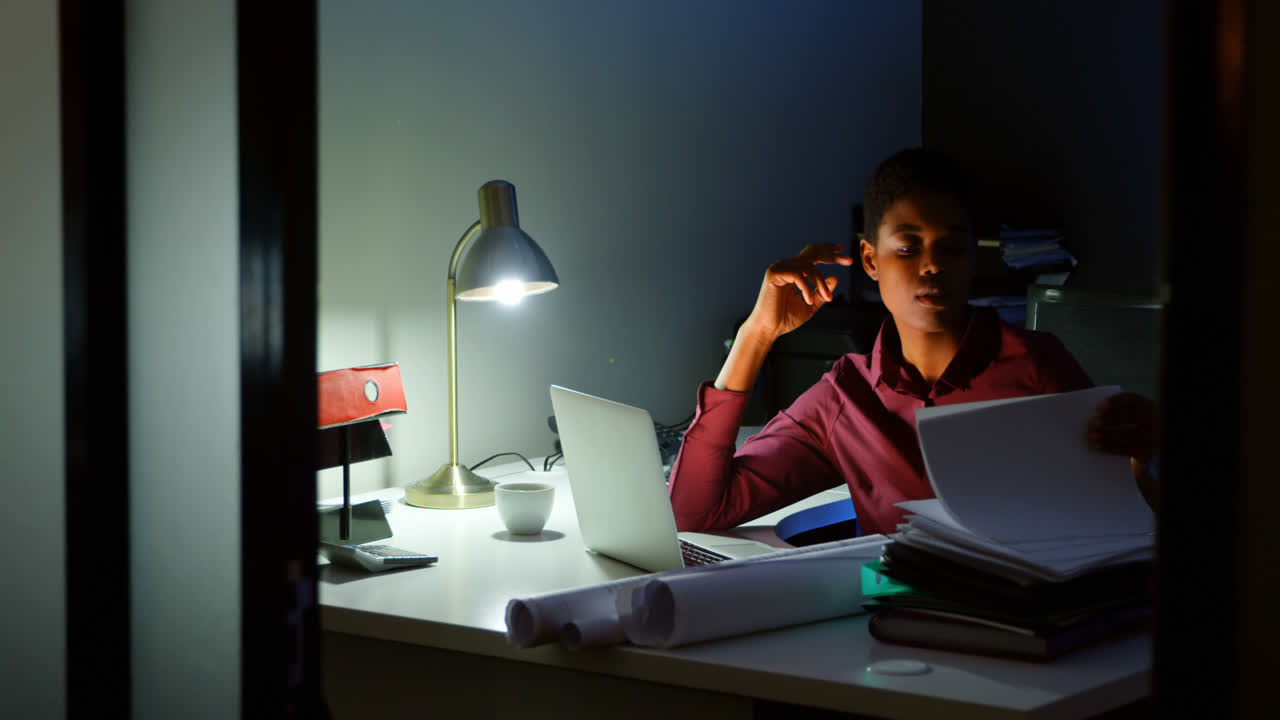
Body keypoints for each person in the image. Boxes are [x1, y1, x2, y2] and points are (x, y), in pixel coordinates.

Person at [667, 147, 1158, 537]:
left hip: (1025, 627)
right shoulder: (845, 397)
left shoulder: (1037, 368)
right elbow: (694, 512)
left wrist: (1142, 455)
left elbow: (1118, 522)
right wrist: (757, 333)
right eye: (907, 247)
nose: (932, 265)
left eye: (951, 248)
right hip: (891, 632)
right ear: (871, 259)